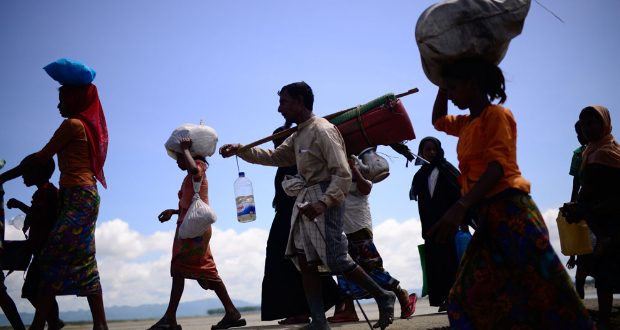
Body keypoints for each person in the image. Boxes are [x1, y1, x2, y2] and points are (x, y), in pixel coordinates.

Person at [428, 57, 594, 329]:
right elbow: (437, 120)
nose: (451, 94)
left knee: (548, 290)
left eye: (454, 87)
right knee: (465, 296)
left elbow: (496, 169)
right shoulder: (467, 123)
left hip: (513, 212)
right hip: (486, 217)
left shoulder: (497, 116)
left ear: (472, 83)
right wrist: (443, 85)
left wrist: (460, 206)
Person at [220, 81, 396, 330]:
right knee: (305, 261)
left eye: (284, 102)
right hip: (305, 199)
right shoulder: (298, 134)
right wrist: (241, 150)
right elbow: (276, 157)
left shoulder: (323, 130)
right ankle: (319, 321)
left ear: (300, 101)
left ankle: (383, 295)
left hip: (325, 196)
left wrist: (324, 203)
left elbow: (343, 173)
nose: (280, 108)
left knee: (336, 260)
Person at [0, 82, 109, 330]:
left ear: (75, 100)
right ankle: (100, 325)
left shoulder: (71, 125)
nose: (58, 105)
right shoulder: (82, 126)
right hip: (78, 197)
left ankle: (40, 326)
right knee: (84, 258)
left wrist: (3, 178)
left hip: (80, 197)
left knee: (50, 256)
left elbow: (40, 158)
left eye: (63, 100)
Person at [151, 138, 245, 330]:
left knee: (181, 268)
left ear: (191, 156)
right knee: (204, 269)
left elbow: (195, 170)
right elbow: (192, 205)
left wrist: (185, 149)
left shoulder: (198, 167)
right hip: (190, 228)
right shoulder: (187, 178)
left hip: (193, 232)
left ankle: (170, 318)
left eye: (180, 157)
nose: (178, 161)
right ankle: (231, 312)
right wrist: (174, 211)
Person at [261, 126, 341, 325]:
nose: (276, 146)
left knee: (300, 261)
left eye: (279, 141)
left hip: (297, 215)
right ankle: (300, 310)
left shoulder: (298, 160)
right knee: (287, 261)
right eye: (274, 143)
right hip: (284, 216)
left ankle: (334, 300)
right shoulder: (285, 162)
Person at [328, 157, 417, 323]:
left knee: (371, 266)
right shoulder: (331, 162)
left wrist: (354, 168)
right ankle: (350, 310)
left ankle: (401, 293)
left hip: (359, 223)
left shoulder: (360, 162)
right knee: (342, 267)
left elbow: (367, 188)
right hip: (339, 223)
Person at [563, 105, 620, 328]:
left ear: (604, 124)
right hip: (604, 216)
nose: (586, 129)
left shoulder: (601, 153)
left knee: (602, 270)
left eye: (591, 123)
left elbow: (588, 188)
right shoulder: (599, 148)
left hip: (610, 220)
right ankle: (604, 319)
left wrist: (575, 206)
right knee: (603, 273)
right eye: (583, 124)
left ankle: (604, 320)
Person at [5, 155, 63, 329]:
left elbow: (44, 216)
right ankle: (54, 321)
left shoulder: (48, 191)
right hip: (41, 251)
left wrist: (20, 205)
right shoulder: (44, 192)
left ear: (37, 172)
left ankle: (52, 322)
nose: (22, 176)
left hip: (46, 251)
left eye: (25, 172)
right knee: (38, 291)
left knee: (36, 290)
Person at [409, 136, 462, 312]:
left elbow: (461, 194)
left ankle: (455, 300)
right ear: (421, 152)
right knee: (437, 264)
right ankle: (445, 299)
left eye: (434, 149)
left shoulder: (448, 170)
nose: (431, 153)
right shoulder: (420, 175)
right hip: (430, 228)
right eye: (427, 150)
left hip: (451, 226)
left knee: (452, 262)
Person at [565, 120, 595, 299]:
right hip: (584, 196)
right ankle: (580, 295)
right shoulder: (578, 154)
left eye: (581, 132)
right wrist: (573, 200)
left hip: (599, 196)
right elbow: (576, 179)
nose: (578, 136)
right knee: (580, 231)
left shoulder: (602, 148)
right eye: (577, 133)